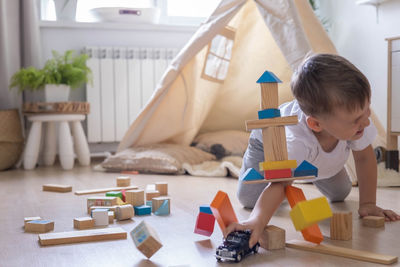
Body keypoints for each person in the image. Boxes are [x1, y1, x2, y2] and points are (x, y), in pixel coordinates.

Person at [226, 53, 400, 247]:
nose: (366, 121)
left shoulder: (353, 124)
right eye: (356, 119)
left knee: (341, 192)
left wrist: (368, 203)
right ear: (316, 124)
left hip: (320, 154)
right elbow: (280, 184)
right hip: (268, 146)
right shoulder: (296, 142)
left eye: (367, 110)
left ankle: (321, 165)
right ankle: (282, 181)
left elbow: (365, 158)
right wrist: (256, 221)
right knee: (249, 198)